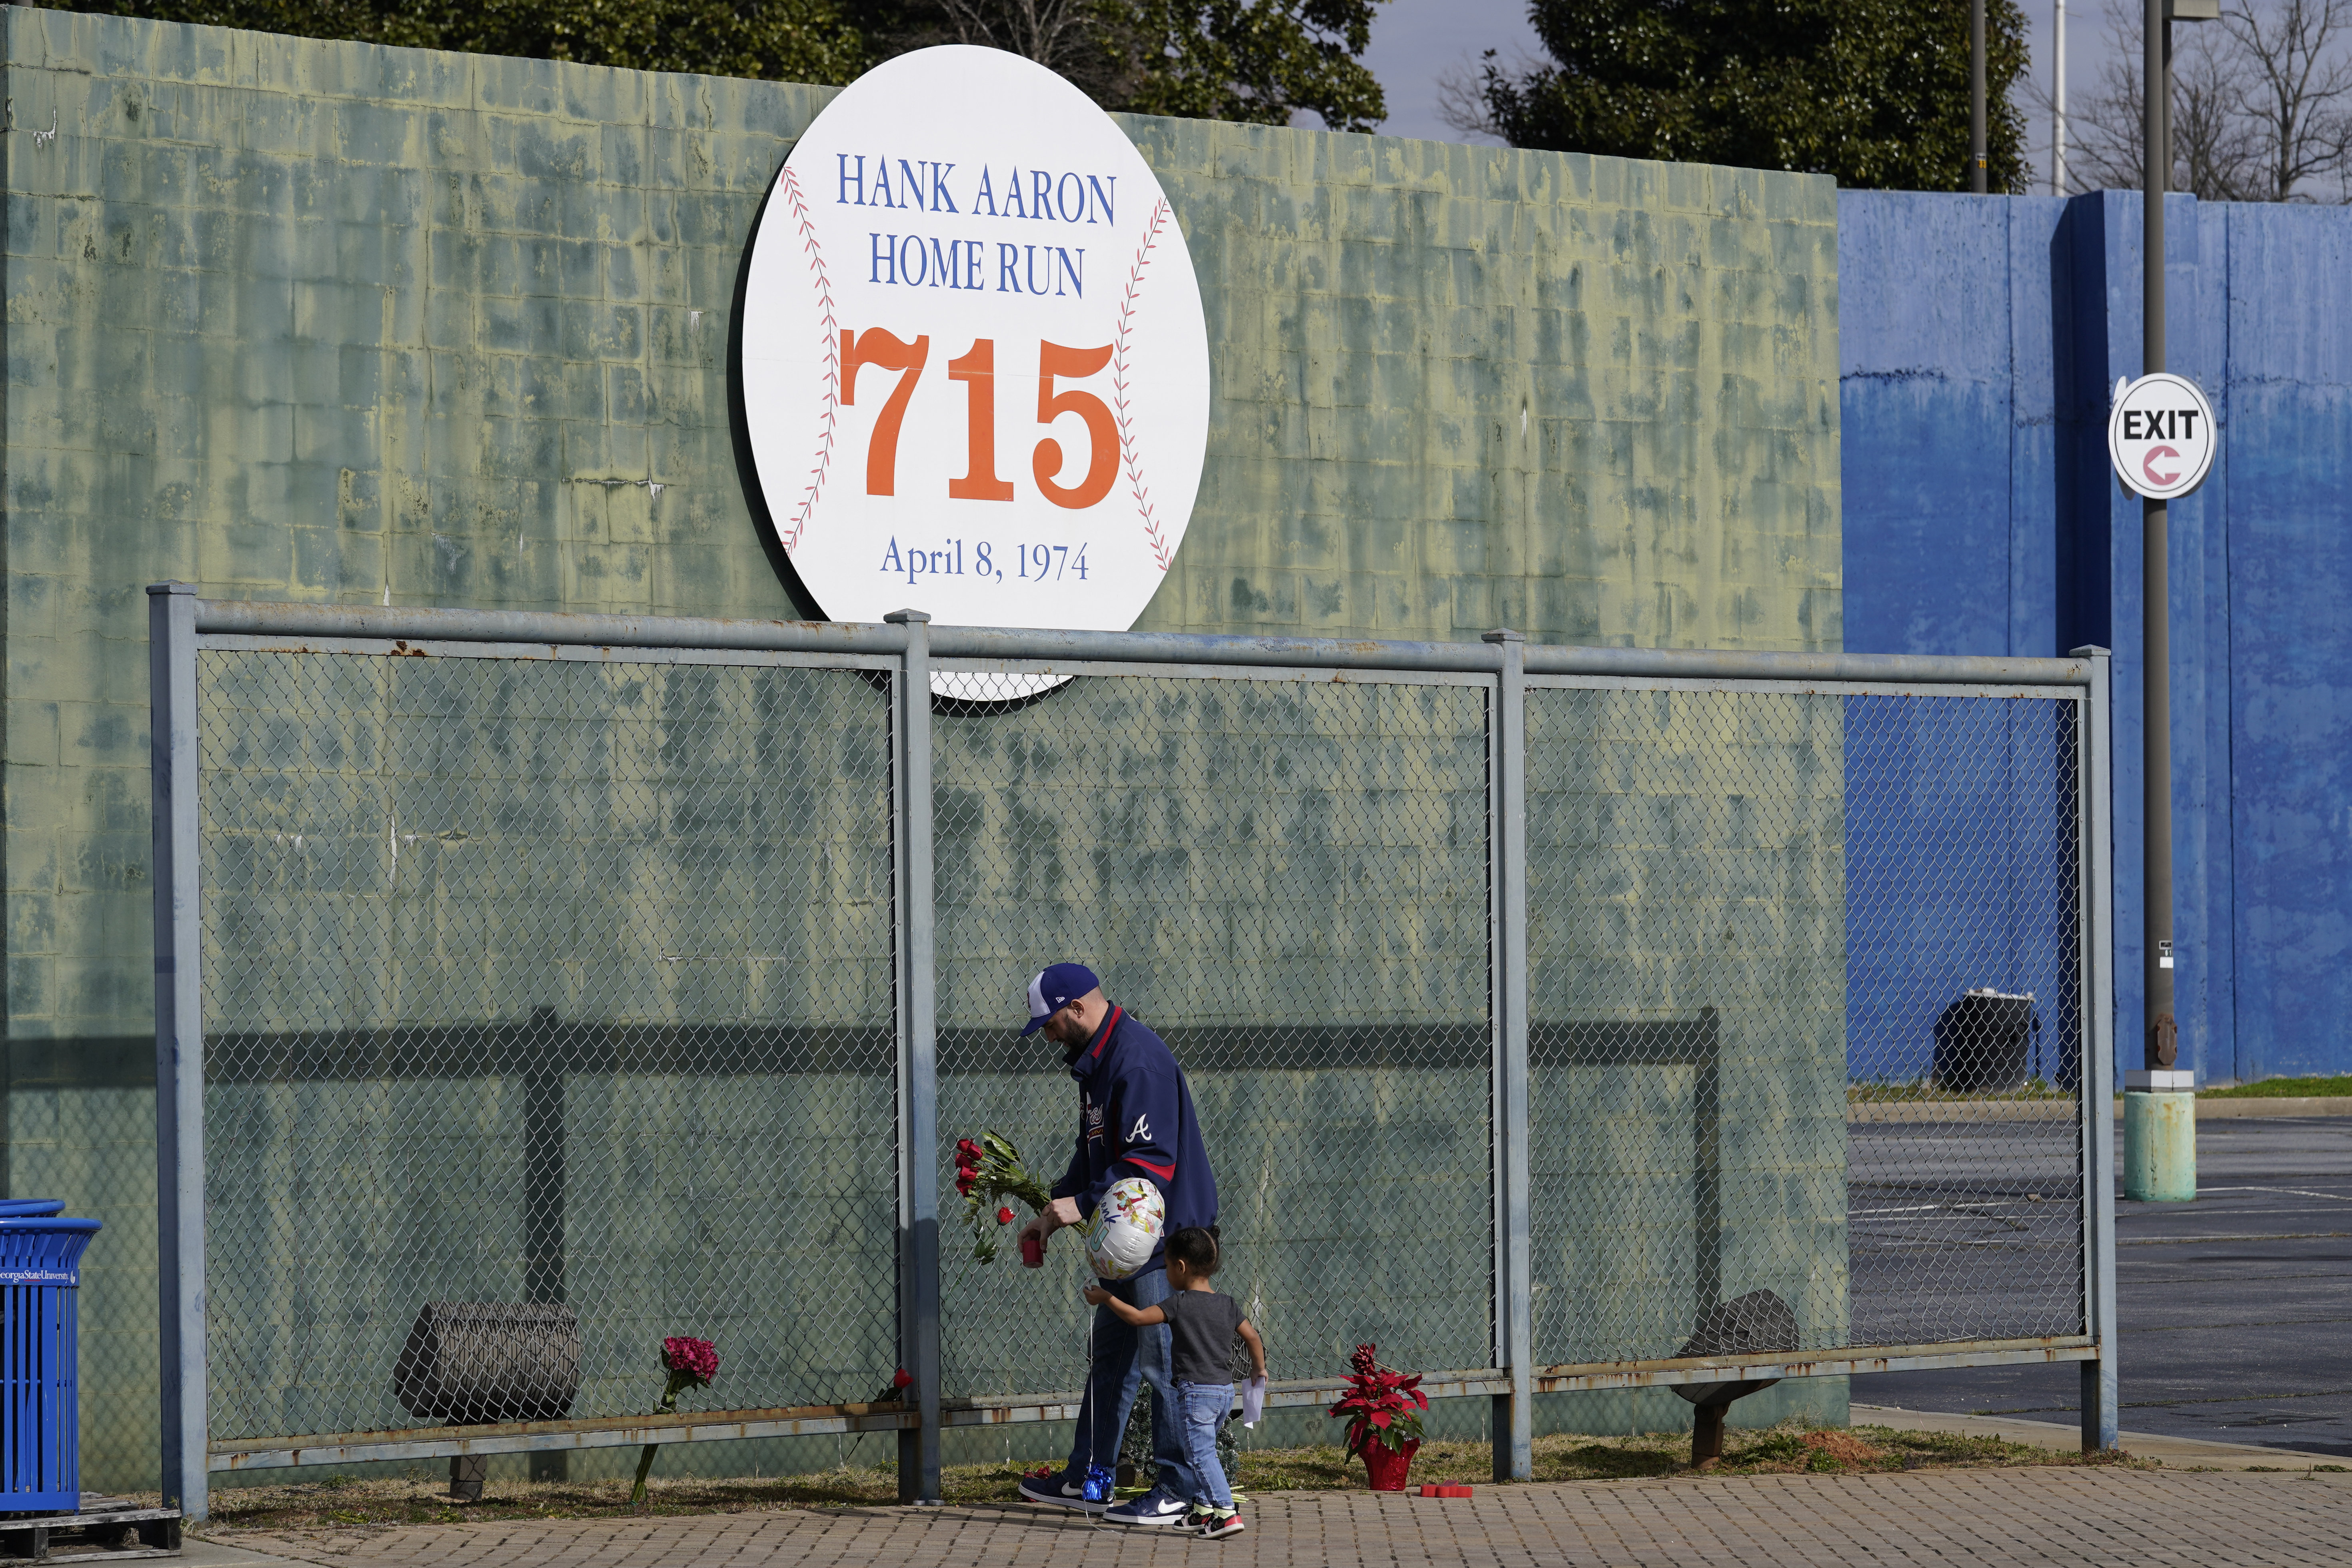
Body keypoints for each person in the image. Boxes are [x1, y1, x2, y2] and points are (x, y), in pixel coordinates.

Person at [1013, 962, 1218, 1526]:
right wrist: (1053, 1209)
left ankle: (1178, 1488)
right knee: (1111, 1362)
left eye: (1050, 1024)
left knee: (1161, 1362)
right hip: (1124, 1237)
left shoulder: (1136, 1058)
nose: (1048, 1037)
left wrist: (1081, 1205)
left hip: (1164, 1240)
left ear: (1077, 1007)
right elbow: (1094, 1152)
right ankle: (1090, 1477)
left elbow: (1151, 1162)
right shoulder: (1096, 1065)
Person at [1085, 1226, 1265, 1539]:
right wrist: (1258, 1370)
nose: (1166, 1272)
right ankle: (1203, 1509)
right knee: (1204, 1449)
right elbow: (1252, 1337)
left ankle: (1226, 1512)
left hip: (1196, 1394)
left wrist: (1107, 1297)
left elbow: (1138, 1318)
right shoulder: (1227, 1304)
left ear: (1180, 1266)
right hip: (1224, 1393)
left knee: (1200, 1454)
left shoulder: (1178, 1303)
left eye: (1167, 1266)